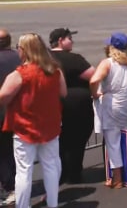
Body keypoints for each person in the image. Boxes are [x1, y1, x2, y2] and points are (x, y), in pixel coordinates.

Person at [0, 34, 66, 208]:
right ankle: (53, 203)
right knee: (51, 167)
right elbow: (63, 93)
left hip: (25, 128)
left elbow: (3, 97)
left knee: (24, 171)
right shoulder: (54, 70)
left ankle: (23, 205)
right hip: (50, 126)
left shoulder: (20, 74)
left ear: (25, 50)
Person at [90, 33, 127, 190]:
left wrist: (95, 94)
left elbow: (94, 80)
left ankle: (118, 178)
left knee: (112, 142)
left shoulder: (108, 63)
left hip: (113, 107)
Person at [49, 27, 96, 184]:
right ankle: (74, 172)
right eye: (69, 38)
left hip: (52, 105)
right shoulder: (73, 58)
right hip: (76, 106)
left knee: (59, 141)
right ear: (61, 40)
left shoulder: (45, 58)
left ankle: (61, 172)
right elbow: (93, 75)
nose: (72, 41)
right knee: (77, 139)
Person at [0, 29, 19, 205]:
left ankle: (10, 187)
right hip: (19, 113)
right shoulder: (18, 57)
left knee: (4, 154)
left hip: (2, 113)